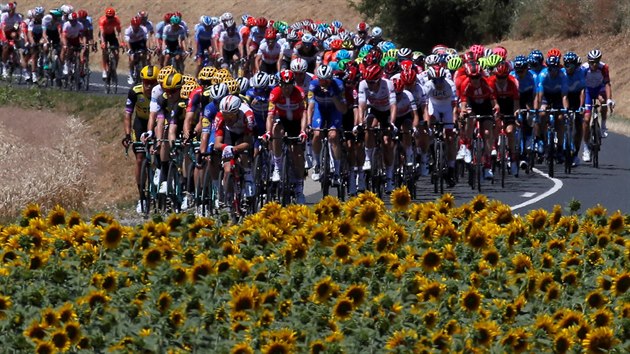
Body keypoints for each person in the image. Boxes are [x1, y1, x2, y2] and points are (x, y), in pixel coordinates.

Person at [262, 69, 308, 204]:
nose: (286, 89)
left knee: (297, 153)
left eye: (289, 85)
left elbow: (304, 113)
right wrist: (268, 132)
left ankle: (299, 188)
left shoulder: (299, 92)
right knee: (276, 131)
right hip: (282, 120)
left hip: (296, 122)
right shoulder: (274, 93)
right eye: (284, 85)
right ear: (279, 84)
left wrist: (303, 131)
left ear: (293, 84)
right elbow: (270, 115)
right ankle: (277, 166)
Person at [122, 65, 159, 214]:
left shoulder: (160, 93)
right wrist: (126, 134)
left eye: (152, 82)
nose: (149, 86)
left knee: (157, 152)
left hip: (156, 124)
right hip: (140, 124)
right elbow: (127, 115)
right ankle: (142, 196)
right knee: (139, 159)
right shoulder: (135, 91)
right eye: (146, 82)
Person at [357, 63, 398, 193]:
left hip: (386, 112)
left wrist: (392, 123)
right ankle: (368, 158)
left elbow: (393, 106)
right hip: (373, 109)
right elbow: (362, 106)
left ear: (379, 79)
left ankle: (390, 177)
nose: (370, 85)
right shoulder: (363, 84)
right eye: (368, 82)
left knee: (387, 142)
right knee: (368, 127)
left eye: (373, 82)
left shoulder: (388, 84)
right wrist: (360, 122)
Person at [459, 61, 500, 180]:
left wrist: (496, 109)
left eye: (477, 77)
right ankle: (467, 145)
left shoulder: (487, 84)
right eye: (472, 78)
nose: (475, 80)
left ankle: (487, 166)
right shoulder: (465, 84)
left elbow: (494, 102)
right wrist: (462, 112)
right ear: (469, 77)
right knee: (470, 120)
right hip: (472, 105)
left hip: (485, 106)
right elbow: (463, 102)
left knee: (487, 133)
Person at [307, 64, 347, 186]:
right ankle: (317, 164)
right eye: (321, 80)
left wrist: (333, 96)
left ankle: (337, 171)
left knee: (333, 136)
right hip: (320, 109)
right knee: (317, 133)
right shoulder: (313, 85)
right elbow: (311, 106)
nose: (323, 82)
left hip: (334, 110)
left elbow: (343, 109)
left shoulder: (338, 85)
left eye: (326, 80)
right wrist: (309, 123)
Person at [213, 95, 256, 202]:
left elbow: (248, 142)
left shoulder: (247, 115)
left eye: (230, 116)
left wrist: (235, 149)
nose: (227, 118)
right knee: (227, 169)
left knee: (243, 152)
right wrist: (226, 148)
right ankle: (228, 198)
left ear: (237, 112)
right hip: (230, 133)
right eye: (225, 115)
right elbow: (217, 144)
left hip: (244, 133)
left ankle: (248, 176)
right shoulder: (220, 116)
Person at [423, 65, 458, 185]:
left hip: (448, 108)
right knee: (429, 132)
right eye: (435, 80)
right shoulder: (427, 86)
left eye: (441, 80)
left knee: (450, 138)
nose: (438, 83)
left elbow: (454, 106)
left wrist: (454, 120)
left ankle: (451, 168)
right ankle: (432, 156)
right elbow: (425, 107)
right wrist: (428, 124)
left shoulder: (450, 85)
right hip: (434, 107)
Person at [534, 55, 569, 163]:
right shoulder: (543, 75)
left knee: (560, 118)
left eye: (555, 68)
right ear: (547, 68)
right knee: (543, 114)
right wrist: (538, 109)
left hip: (558, 96)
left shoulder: (563, 76)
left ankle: (559, 147)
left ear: (558, 68)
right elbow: (539, 96)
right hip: (546, 96)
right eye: (550, 68)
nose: (552, 71)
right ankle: (541, 138)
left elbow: (564, 96)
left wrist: (566, 110)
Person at [488, 61, 520, 176]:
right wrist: (495, 111)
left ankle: (512, 157)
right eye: (499, 77)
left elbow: (516, 102)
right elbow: (492, 99)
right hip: (495, 103)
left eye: (504, 77)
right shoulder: (490, 82)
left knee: (510, 131)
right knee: (496, 124)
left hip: (509, 104)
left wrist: (516, 114)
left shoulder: (513, 82)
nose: (501, 80)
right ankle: (493, 147)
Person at [582, 49, 614, 161]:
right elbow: (581, 87)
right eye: (591, 62)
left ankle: (603, 126)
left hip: (599, 89)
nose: (594, 64)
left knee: (604, 103)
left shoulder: (604, 67)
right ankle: (586, 149)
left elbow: (607, 84)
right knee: (586, 119)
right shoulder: (584, 68)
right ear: (588, 61)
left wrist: (609, 99)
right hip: (588, 91)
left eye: (596, 61)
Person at [562, 51, 585, 166]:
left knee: (578, 124)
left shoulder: (580, 73)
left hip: (576, 96)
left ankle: (575, 153)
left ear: (575, 66)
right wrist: (565, 109)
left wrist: (581, 107)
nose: (568, 67)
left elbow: (582, 92)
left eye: (571, 65)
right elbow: (564, 96)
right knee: (562, 118)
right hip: (565, 96)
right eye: (566, 65)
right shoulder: (562, 73)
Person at [98, 7, 122, 80]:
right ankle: (104, 70)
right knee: (104, 51)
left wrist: (122, 42)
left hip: (112, 35)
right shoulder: (102, 20)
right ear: (106, 16)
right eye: (108, 17)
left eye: (111, 17)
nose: (110, 19)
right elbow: (102, 33)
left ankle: (114, 69)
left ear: (113, 16)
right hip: (104, 35)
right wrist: (102, 43)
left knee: (117, 53)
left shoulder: (116, 20)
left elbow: (119, 32)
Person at [0, 1, 22, 78]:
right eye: (11, 10)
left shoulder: (17, 16)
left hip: (11, 31)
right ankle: (4, 67)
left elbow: (17, 27)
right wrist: (5, 39)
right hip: (3, 32)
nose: (13, 11)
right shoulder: (4, 15)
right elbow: (3, 28)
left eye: (14, 9)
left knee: (14, 35)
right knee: (5, 47)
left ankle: (15, 57)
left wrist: (18, 36)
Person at [124, 16, 148, 84]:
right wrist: (130, 50)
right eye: (135, 26)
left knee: (143, 56)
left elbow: (146, 40)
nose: (136, 27)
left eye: (137, 26)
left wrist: (146, 49)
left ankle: (144, 71)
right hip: (131, 44)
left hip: (140, 43)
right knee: (132, 58)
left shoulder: (143, 29)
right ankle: (131, 74)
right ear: (132, 25)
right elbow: (127, 42)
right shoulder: (128, 30)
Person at [60, 12, 85, 76]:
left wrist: (83, 43)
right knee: (68, 50)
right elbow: (64, 36)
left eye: (75, 21)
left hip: (76, 39)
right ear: (69, 20)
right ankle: (66, 64)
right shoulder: (66, 25)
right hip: (68, 39)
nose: (73, 22)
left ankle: (77, 65)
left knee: (80, 52)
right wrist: (65, 45)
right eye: (72, 21)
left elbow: (81, 36)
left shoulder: (80, 25)